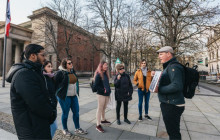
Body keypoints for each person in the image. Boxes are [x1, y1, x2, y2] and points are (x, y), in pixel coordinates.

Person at [6, 44, 56, 139]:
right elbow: (37, 102)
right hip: (31, 129)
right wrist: (51, 113)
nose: (44, 58)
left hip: (37, 124)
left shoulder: (33, 71)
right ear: (33, 55)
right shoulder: (24, 75)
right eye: (43, 55)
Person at [157, 46, 185, 140]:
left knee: (173, 133)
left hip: (172, 105)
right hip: (170, 103)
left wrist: (159, 89)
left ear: (168, 54)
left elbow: (177, 85)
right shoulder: (169, 66)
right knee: (172, 131)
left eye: (161, 54)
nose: (159, 56)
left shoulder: (173, 66)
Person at [54, 58, 87, 136]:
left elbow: (75, 82)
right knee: (65, 113)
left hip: (74, 96)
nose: (71, 64)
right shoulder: (60, 73)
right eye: (69, 63)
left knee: (76, 113)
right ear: (65, 65)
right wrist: (57, 93)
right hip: (65, 97)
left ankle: (77, 128)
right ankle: (65, 129)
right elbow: (54, 84)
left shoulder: (72, 71)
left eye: (71, 62)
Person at [93, 60, 111, 133]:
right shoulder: (98, 75)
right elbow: (95, 86)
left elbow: (106, 83)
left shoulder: (106, 74)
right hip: (101, 94)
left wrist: (108, 90)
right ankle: (98, 125)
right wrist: (103, 90)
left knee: (104, 107)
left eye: (107, 65)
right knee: (100, 108)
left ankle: (103, 120)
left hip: (107, 94)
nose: (106, 66)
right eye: (105, 65)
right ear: (101, 66)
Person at [43, 61, 58, 138]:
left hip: (53, 105)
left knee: (53, 127)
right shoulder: (44, 78)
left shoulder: (51, 77)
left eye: (51, 66)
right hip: (48, 106)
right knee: (54, 126)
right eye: (48, 66)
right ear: (44, 68)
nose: (51, 68)